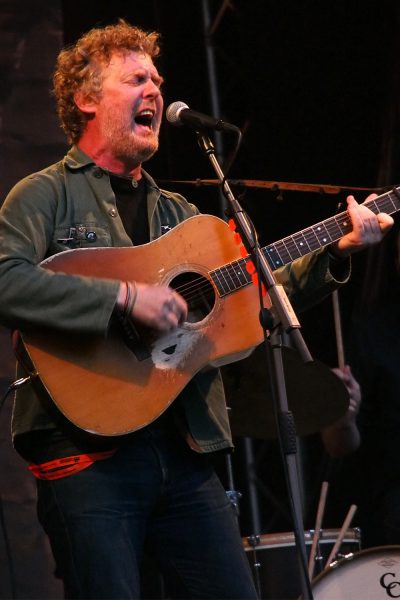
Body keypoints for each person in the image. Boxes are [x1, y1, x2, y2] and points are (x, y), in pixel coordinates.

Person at [0, 20, 393, 599]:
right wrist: (123, 297)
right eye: (137, 78)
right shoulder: (45, 194)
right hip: (87, 453)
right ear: (85, 99)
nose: (156, 89)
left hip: (186, 451)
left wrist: (338, 248)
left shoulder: (182, 217)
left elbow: (260, 290)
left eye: (158, 78)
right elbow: (7, 281)